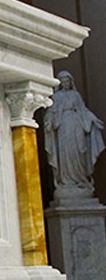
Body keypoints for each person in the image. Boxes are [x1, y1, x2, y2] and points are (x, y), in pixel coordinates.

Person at [44, 71, 105, 200]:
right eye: (63, 82)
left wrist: (93, 119)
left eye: (67, 81)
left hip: (77, 123)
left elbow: (84, 110)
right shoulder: (56, 97)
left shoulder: (75, 95)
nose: (66, 84)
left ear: (71, 82)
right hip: (63, 126)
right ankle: (67, 181)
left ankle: (81, 180)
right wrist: (48, 121)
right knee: (65, 154)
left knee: (79, 151)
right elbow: (51, 112)